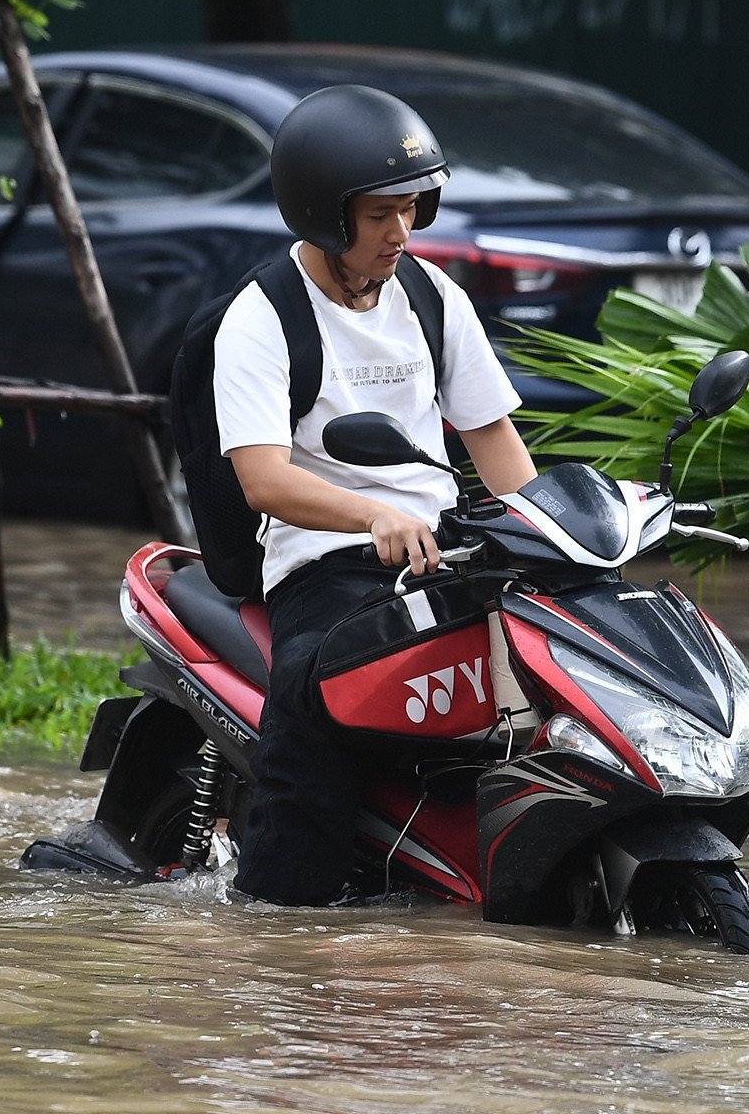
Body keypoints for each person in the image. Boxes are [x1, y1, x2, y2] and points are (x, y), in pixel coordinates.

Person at [213, 84, 537, 905]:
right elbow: (261, 476)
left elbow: (492, 437)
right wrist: (372, 513)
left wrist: (555, 539)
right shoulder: (261, 316)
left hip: (445, 551)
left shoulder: (431, 297)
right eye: (381, 214)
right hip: (328, 567)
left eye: (414, 208)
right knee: (319, 692)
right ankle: (282, 915)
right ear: (325, 213)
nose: (403, 231)